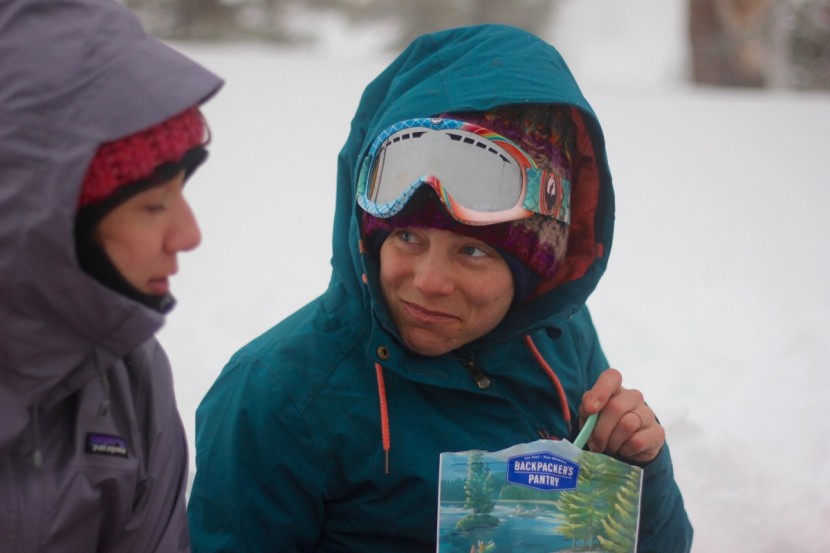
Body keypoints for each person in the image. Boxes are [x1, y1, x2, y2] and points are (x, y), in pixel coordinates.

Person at [188, 24, 693, 552]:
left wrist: (639, 470)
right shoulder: (277, 395)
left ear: (535, 267)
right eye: (407, 236)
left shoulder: (555, 339)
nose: (428, 283)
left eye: (472, 252)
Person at [0, 0, 223, 551]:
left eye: (181, 192)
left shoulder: (127, 374)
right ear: (34, 217)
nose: (189, 234)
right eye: (153, 204)